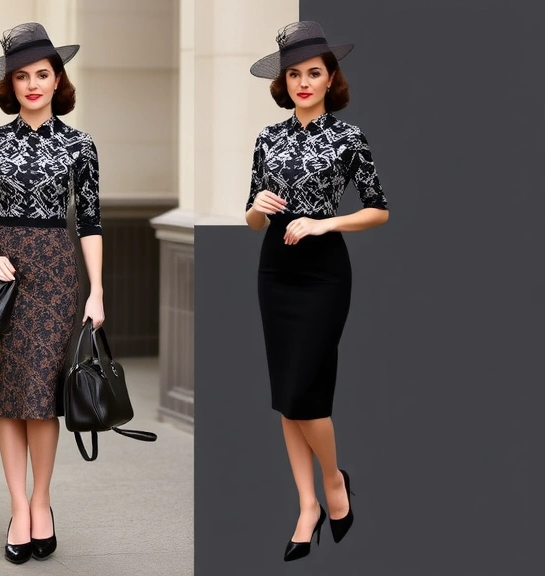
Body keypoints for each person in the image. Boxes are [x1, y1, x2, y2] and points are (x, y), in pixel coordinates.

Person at [0, 22, 104, 565]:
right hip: (3, 275)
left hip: (58, 274)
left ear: (57, 79)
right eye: (23, 76)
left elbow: (90, 222)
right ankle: (18, 505)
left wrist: (97, 292)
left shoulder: (80, 145)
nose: (34, 84)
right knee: (7, 395)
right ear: (11, 85)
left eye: (43, 74)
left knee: (43, 395)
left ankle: (42, 501)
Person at [245, 21, 389, 562]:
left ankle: (333, 480)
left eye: (314, 73)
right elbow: (252, 220)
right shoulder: (267, 138)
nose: (303, 82)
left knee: (306, 389)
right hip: (274, 270)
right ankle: (307, 504)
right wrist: (257, 208)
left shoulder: (349, 138)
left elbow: (379, 208)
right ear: (284, 82)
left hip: (325, 271)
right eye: (295, 74)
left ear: (331, 79)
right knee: (287, 394)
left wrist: (325, 223)